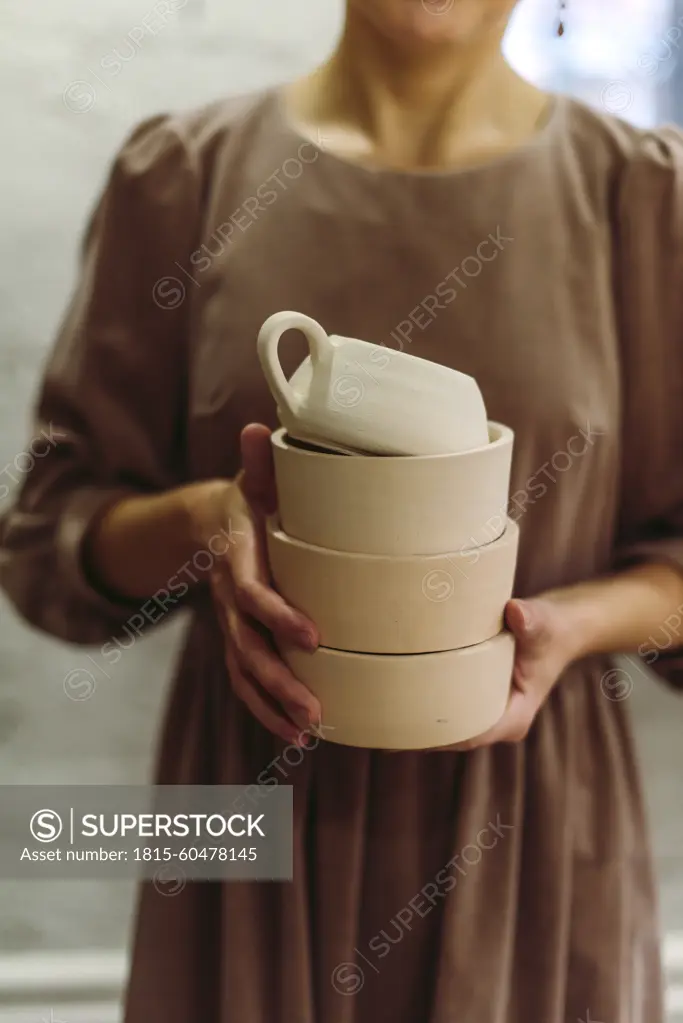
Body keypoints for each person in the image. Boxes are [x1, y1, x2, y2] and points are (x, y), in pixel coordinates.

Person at [2, 0, 683, 1019]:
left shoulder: (643, 200)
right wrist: (206, 521)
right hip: (246, 823)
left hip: (531, 839)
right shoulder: (184, 175)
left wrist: (570, 627)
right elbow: (49, 546)